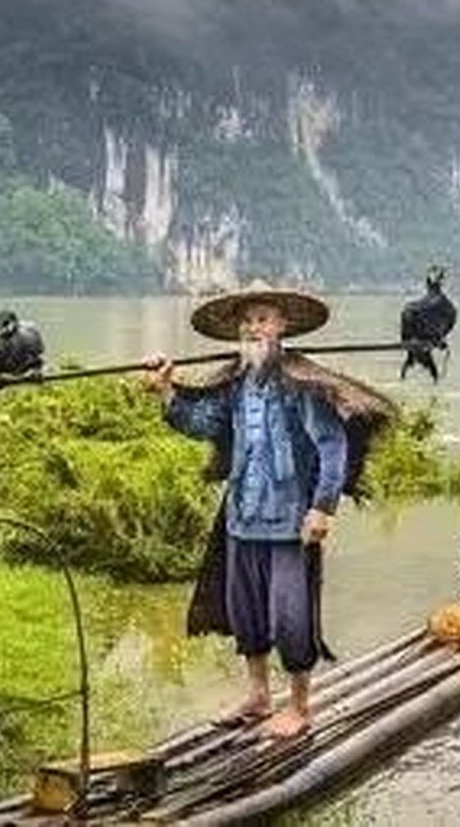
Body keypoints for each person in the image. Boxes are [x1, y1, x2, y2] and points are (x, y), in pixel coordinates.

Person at [143, 284, 392, 739]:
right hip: (242, 517)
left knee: (291, 616)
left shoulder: (301, 384)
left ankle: (299, 707)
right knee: (247, 613)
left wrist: (322, 508)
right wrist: (167, 393)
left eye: (263, 319)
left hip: (291, 523)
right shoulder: (234, 383)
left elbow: (332, 445)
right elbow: (204, 424)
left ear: (282, 326)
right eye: (248, 321)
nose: (254, 328)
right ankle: (259, 696)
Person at [0, 309, 45, 377]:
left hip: (21, 364)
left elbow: (39, 351)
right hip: (11, 365)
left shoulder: (28, 333)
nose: (2, 329)